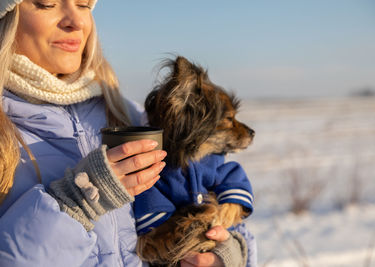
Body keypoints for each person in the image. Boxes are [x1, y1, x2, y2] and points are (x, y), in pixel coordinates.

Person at [0, 0, 256, 266]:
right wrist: (78, 202)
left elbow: (200, 201)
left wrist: (226, 254)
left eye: (84, 4)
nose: (75, 21)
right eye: (47, 3)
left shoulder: (128, 117)